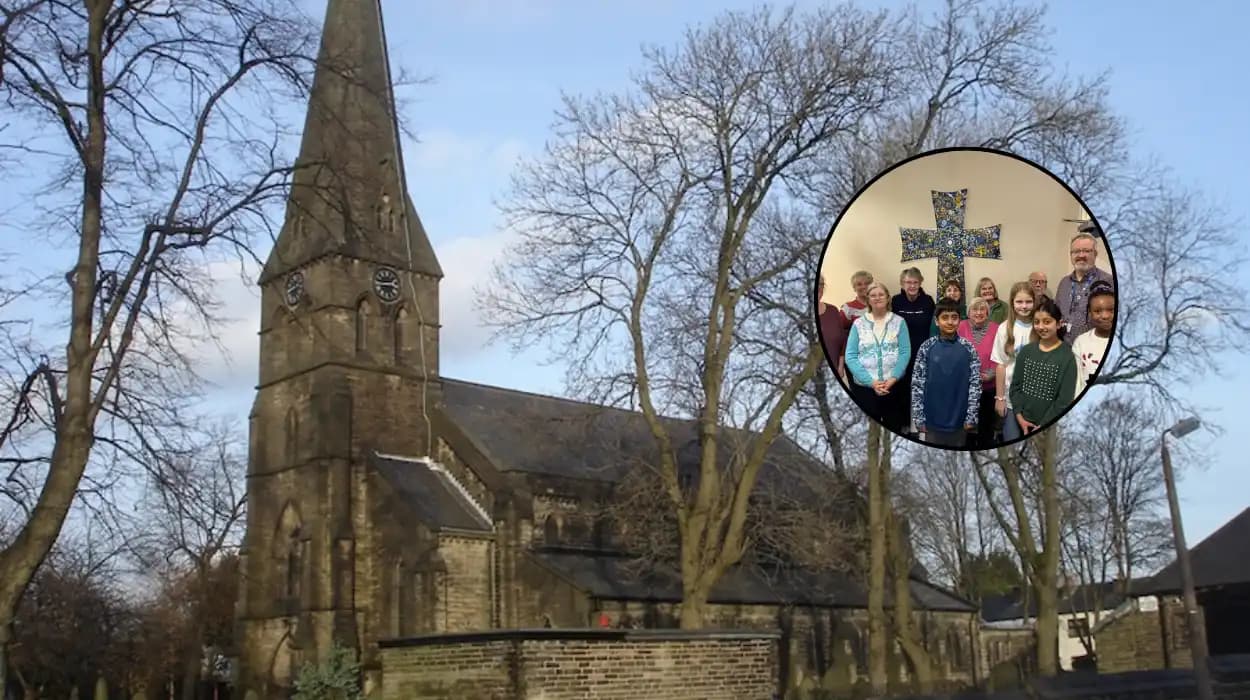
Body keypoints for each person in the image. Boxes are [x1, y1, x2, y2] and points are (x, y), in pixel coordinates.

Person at [912, 297, 980, 448]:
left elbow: (975, 385)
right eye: (945, 318)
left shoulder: (969, 348)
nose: (950, 322)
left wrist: (971, 416)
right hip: (932, 421)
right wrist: (918, 417)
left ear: (959, 320)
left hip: (960, 421)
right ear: (937, 321)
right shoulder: (926, 347)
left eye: (954, 317)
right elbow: (917, 385)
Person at [845, 281, 912, 433]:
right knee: (869, 433)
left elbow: (905, 352)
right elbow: (851, 356)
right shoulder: (858, 324)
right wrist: (872, 382)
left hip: (893, 387)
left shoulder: (899, 322)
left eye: (881, 294)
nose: (877, 298)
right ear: (868, 299)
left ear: (888, 298)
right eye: (873, 295)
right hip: (865, 390)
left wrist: (893, 378)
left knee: (894, 431)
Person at [1009, 298, 1078, 435]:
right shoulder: (1027, 351)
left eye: (1047, 322)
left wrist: (1043, 425)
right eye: (1037, 322)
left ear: (1058, 324)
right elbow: (1015, 387)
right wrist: (1019, 416)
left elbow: (1064, 401)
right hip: (1021, 421)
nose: (1041, 327)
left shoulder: (1067, 357)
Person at [990, 282, 1036, 442]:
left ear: (1035, 302)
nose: (1024, 306)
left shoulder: (1041, 326)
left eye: (1028, 301)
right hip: (1011, 399)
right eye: (1019, 302)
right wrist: (1000, 398)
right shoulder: (1004, 328)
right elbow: (1001, 365)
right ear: (1012, 303)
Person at [891, 267, 935, 434]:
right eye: (908, 282)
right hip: (901, 355)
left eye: (915, 282)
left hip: (923, 354)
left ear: (920, 283)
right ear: (902, 284)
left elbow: (933, 327)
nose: (912, 286)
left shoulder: (928, 301)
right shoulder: (895, 301)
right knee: (902, 391)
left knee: (921, 391)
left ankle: (921, 428)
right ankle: (904, 427)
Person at [1056, 232, 1115, 344]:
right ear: (1071, 255)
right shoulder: (1064, 283)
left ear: (1095, 254)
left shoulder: (1109, 281)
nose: (1081, 255)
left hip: (1093, 349)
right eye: (1076, 251)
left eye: (1086, 251)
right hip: (1064, 347)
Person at [958, 297, 1000, 447]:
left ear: (988, 312)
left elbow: (1001, 354)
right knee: (965, 427)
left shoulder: (996, 328)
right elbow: (956, 352)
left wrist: (992, 373)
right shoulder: (961, 326)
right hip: (965, 386)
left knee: (986, 426)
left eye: (982, 309)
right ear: (969, 312)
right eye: (975, 309)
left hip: (989, 386)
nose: (979, 312)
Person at [1072, 281, 1115, 394]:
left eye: (1111, 310)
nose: (1105, 316)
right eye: (1097, 311)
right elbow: (1077, 383)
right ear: (1090, 313)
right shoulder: (1081, 342)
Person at [817, 275, 847, 381]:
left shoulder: (832, 310)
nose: (818, 288)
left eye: (821, 285)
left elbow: (843, 340)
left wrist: (840, 366)